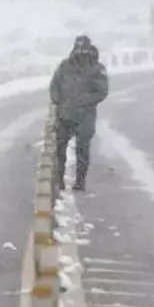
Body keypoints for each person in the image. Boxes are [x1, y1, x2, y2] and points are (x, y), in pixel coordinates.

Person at [49, 35, 109, 192]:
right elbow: (54, 85)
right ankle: (59, 179)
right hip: (65, 114)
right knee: (60, 147)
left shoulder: (96, 68)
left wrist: (85, 101)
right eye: (78, 48)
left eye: (84, 49)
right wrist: (58, 100)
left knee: (82, 149)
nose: (81, 52)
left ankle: (80, 180)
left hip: (85, 116)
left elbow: (102, 91)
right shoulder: (65, 66)